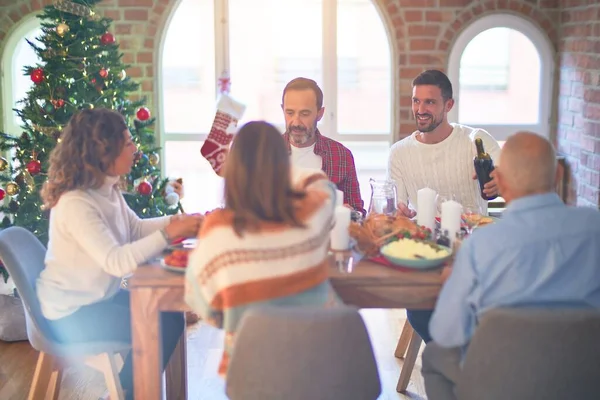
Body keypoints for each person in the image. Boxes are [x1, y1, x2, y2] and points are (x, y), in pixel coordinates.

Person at [37, 108, 203, 400]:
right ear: (104, 150)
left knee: (171, 318)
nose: (134, 149)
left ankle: (125, 392)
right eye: (127, 143)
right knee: (153, 327)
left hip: (97, 298)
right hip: (71, 314)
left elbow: (135, 229)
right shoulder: (76, 203)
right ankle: (128, 394)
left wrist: (181, 222)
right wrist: (171, 233)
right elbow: (117, 262)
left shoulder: (106, 188)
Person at [422, 132, 600, 400]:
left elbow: (446, 333)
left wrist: (454, 285)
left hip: (501, 385)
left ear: (501, 182)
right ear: (558, 175)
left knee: (435, 355)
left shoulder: (480, 246)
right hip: (584, 379)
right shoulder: (594, 227)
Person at [185, 120, 341, 376]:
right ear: (285, 166)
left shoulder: (217, 230)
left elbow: (205, 308)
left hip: (252, 377)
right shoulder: (311, 212)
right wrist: (276, 167)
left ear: (233, 170)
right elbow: (323, 184)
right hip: (322, 371)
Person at [387, 69, 502, 343]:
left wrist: (500, 181)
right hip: (427, 252)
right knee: (423, 312)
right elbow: (395, 208)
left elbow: (508, 176)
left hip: (475, 249)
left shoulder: (476, 141)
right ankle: (456, 362)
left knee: (488, 309)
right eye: (416, 101)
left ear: (448, 105)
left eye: (430, 102)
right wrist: (398, 213)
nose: (420, 109)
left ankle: (460, 364)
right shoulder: (400, 153)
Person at [281, 77, 366, 215]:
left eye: (304, 114)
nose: (296, 122)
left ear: (320, 114)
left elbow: (358, 211)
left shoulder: (341, 155)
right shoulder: (266, 155)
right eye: (289, 113)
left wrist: (351, 214)